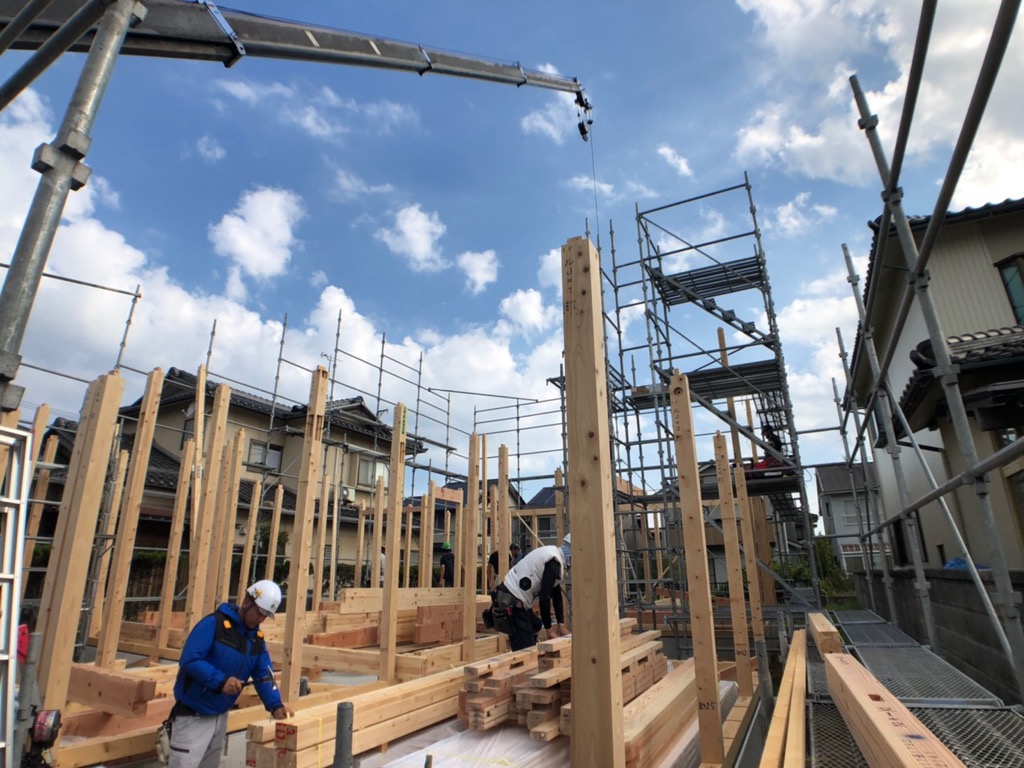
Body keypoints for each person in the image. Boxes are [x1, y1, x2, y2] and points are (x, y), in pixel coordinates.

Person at [170, 580, 292, 768]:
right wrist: (221, 681)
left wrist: (275, 705)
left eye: (266, 616)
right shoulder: (214, 624)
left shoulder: (256, 641)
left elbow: (264, 675)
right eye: (259, 613)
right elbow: (190, 659)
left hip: (220, 718)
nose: (261, 620)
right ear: (246, 602)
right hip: (193, 718)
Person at [488, 545, 569, 651]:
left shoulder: (553, 556)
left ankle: (525, 646)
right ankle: (522, 653)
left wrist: (561, 624)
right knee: (526, 649)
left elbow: (556, 594)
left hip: (512, 595)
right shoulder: (553, 563)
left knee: (536, 624)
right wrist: (549, 630)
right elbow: (544, 598)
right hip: (511, 600)